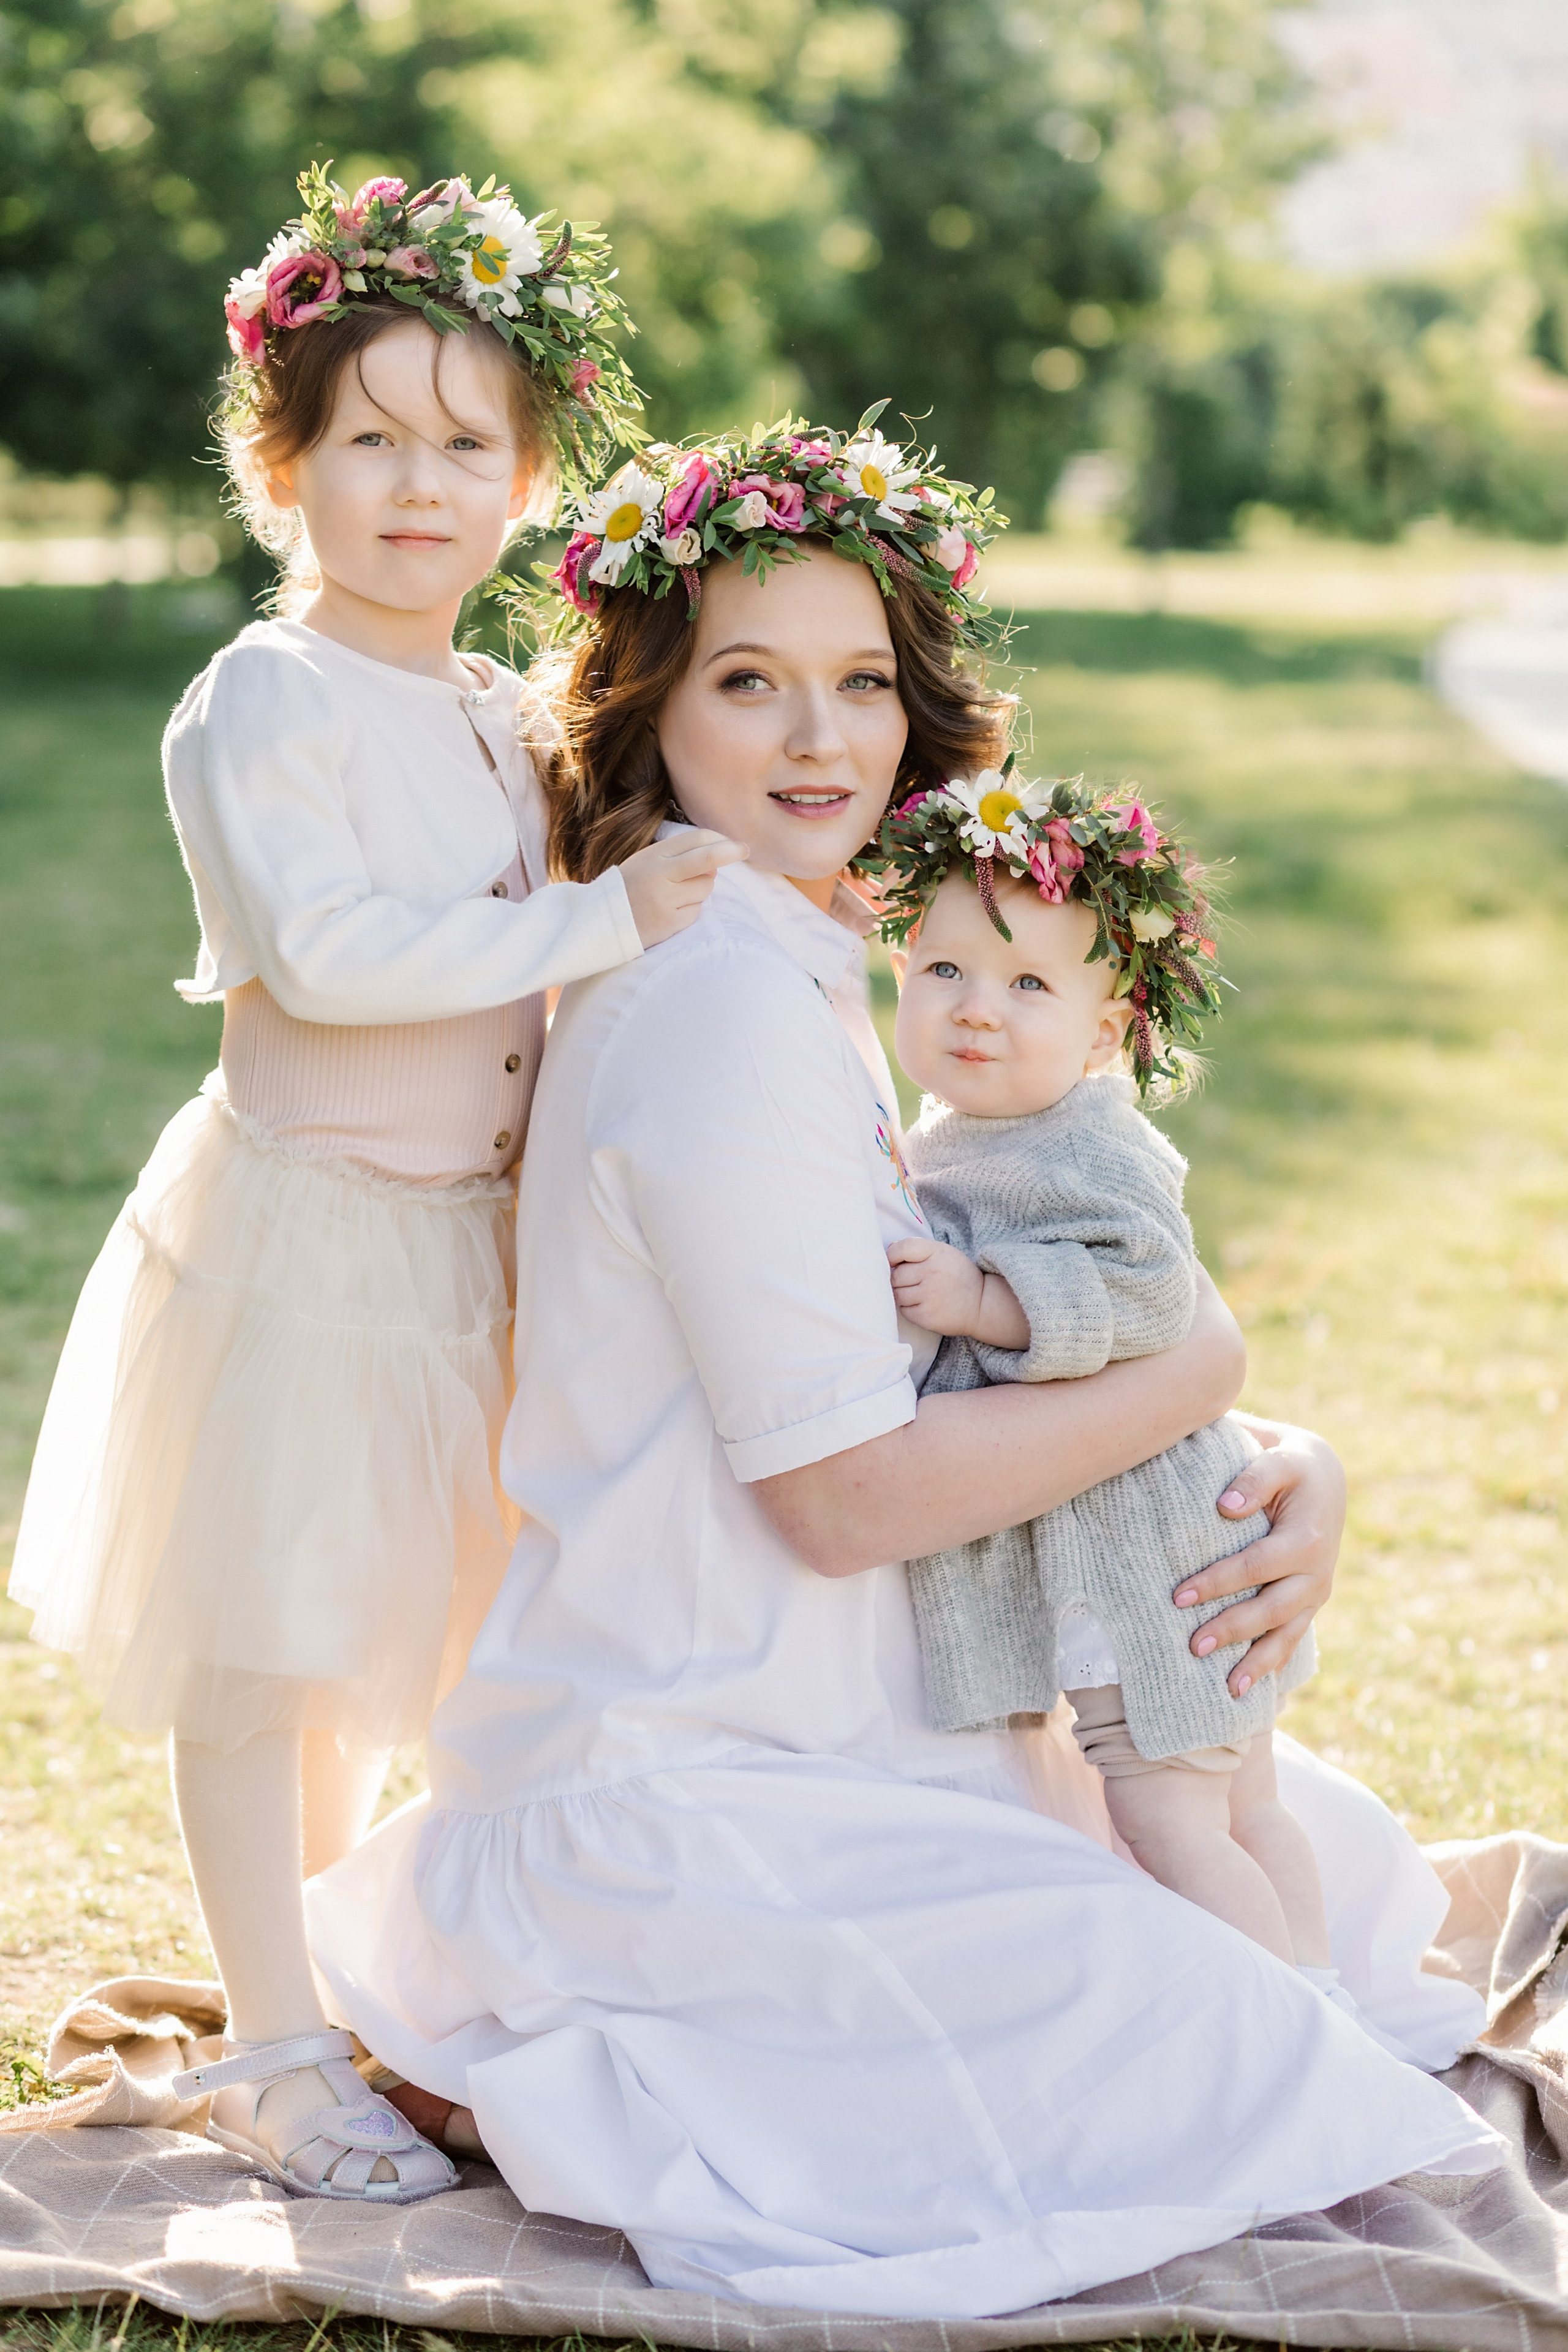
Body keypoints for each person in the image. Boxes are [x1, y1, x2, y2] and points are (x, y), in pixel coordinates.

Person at [306, 417, 1502, 2312]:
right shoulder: (714, 1014)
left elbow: (970, 1373)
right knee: (1233, 2049)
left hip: (879, 1715)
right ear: (651, 708)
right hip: (698, 1766)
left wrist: (1288, 1463)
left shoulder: (801, 962)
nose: (820, 743)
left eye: (863, 683)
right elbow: (846, 1496)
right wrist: (1205, 1365)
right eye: (750, 683)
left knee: (1320, 1874)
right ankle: (563, 2021)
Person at [7, 166, 742, 2205]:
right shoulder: (265, 700)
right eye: (368, 440)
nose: (418, 487)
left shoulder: (500, 709)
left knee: (393, 1644)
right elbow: (328, 955)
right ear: (282, 463)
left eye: (466, 446)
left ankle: (342, 1991)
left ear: (520, 480)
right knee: (264, 1651)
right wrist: (600, 929)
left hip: (461, 1256)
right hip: (310, 1235)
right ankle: (264, 2047)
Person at [874, 798, 1379, 2032]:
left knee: (1169, 1815)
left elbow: (1153, 1285)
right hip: (1164, 1527)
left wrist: (991, 1300)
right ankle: (1323, 2006)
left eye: (1025, 985)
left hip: (1147, 1554)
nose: (974, 1006)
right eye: (941, 967)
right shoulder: (972, 1133)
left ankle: (1293, 2034)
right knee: (1243, 1804)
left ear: (1106, 1033)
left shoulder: (1079, 1143)